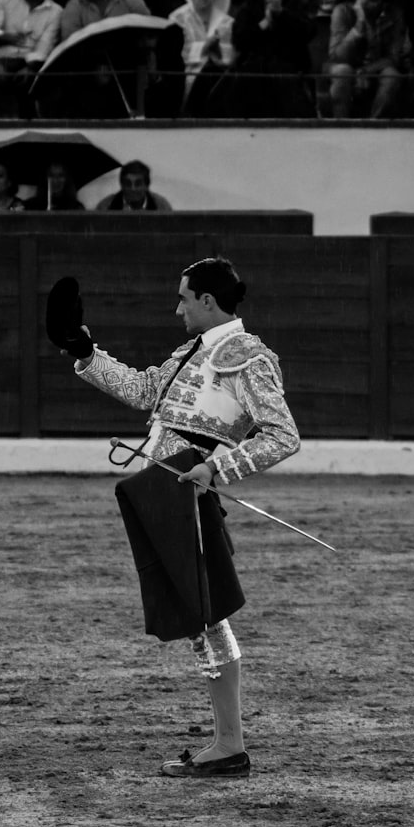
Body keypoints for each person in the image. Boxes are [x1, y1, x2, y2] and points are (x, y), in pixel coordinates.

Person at [59, 256, 300, 778]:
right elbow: (145, 392)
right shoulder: (197, 351)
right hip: (165, 490)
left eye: (184, 298)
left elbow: (283, 435)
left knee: (205, 613)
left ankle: (229, 745)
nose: (178, 308)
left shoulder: (246, 356)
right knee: (200, 614)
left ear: (208, 301)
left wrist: (217, 468)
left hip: (188, 493)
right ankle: (226, 741)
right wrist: (84, 352)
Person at [214, 0, 316, 118]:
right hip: (254, 71)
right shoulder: (248, 9)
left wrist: (281, 14)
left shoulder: (296, 6)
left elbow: (308, 32)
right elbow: (240, 40)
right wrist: (264, 23)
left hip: (289, 69)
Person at [327, 0, 406, 119]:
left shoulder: (395, 15)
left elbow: (393, 57)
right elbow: (337, 56)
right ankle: (340, 125)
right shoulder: (343, 11)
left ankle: (374, 124)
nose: (364, 1)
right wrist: (358, 26)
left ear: (383, 4)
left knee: (391, 75)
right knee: (342, 70)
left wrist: (365, 71)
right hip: (345, 63)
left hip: (375, 67)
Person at [168, 0, 235, 116]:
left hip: (219, 75)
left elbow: (230, 56)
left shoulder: (227, 22)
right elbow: (174, 53)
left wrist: (219, 51)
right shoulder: (177, 18)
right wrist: (205, 46)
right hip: (186, 75)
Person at [95, 159, 173, 210]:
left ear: (147, 185)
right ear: (121, 185)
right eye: (128, 183)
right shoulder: (106, 206)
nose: (133, 188)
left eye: (138, 184)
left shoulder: (161, 206)